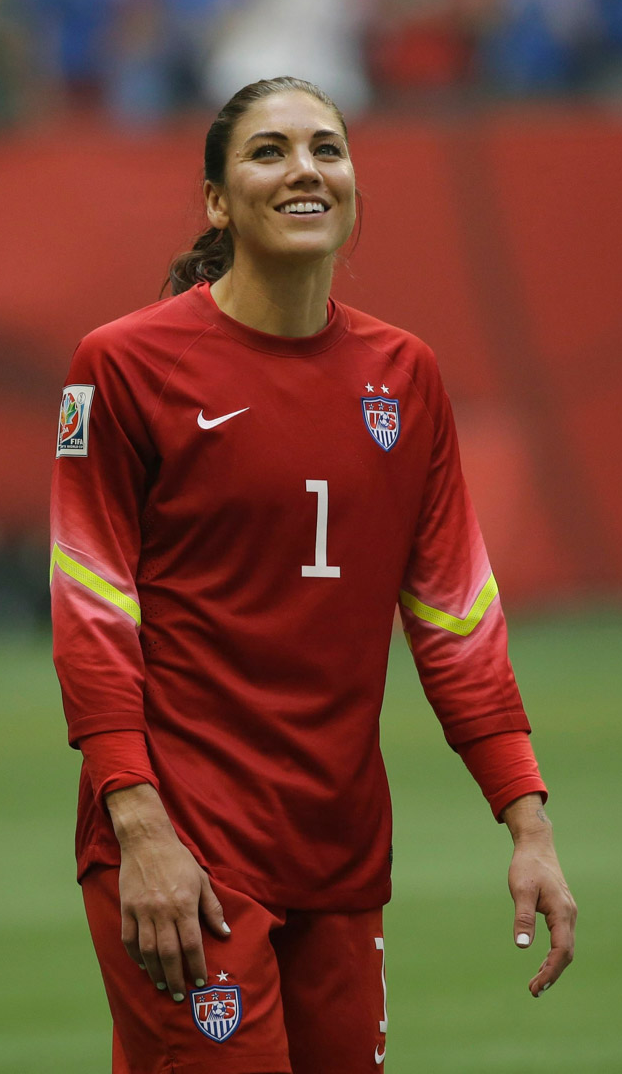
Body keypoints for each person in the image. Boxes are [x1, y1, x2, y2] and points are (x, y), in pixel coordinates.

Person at [50, 75, 576, 1074]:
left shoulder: (405, 374)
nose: (304, 168)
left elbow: (456, 620)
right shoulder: (121, 366)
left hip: (338, 847)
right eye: (269, 150)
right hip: (182, 839)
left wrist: (527, 819)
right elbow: (91, 607)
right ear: (217, 200)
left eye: (326, 148)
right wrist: (135, 820)